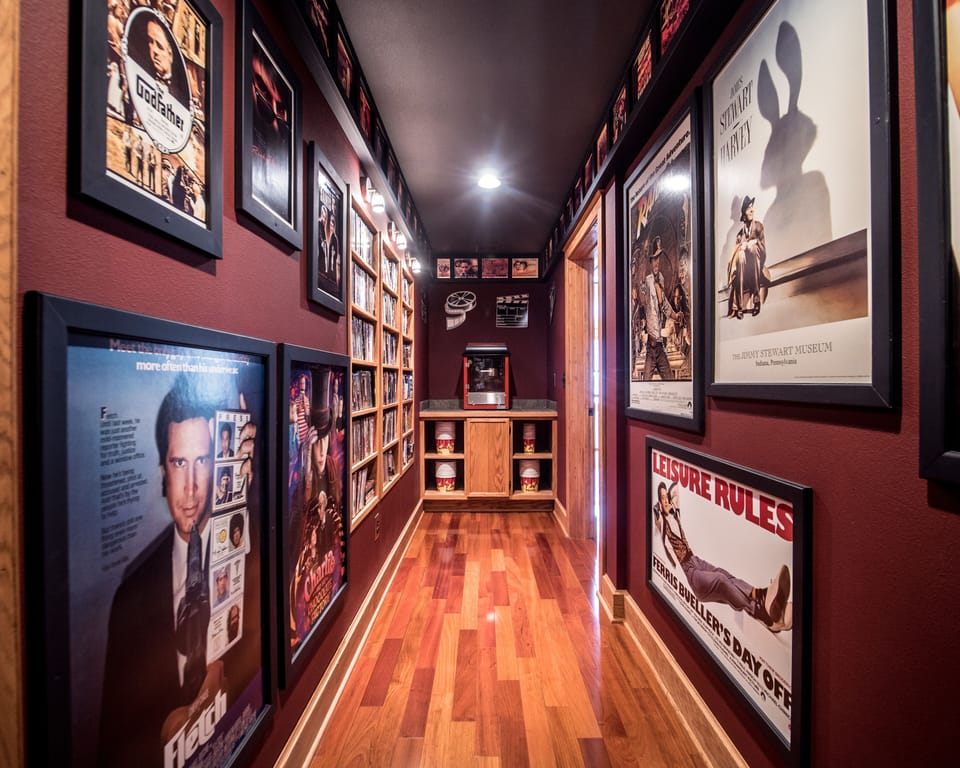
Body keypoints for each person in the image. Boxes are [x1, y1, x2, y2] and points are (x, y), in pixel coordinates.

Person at [98, 374, 257, 766]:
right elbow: (114, 742)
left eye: (202, 460)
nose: (189, 488)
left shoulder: (250, 550)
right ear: (162, 474)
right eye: (178, 462)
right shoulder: (131, 597)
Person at [654, 482, 792, 633]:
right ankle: (760, 612)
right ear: (659, 503)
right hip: (690, 573)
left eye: (666, 496)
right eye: (662, 498)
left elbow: (676, 491)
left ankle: (762, 596)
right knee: (720, 580)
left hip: (695, 560)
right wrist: (659, 511)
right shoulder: (663, 525)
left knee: (725, 574)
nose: (666, 500)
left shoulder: (676, 514)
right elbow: (659, 520)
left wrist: (670, 500)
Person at [640, 236, 682, 381]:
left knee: (670, 380)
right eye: (654, 259)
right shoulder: (648, 281)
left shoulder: (661, 279)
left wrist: (675, 316)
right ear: (651, 262)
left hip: (660, 346)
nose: (657, 262)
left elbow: (663, 303)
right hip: (651, 347)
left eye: (658, 258)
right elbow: (646, 298)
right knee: (645, 382)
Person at [726, 195, 768, 319]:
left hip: (756, 262)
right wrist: (742, 247)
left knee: (752, 248)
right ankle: (739, 306)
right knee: (741, 254)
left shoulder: (759, 227)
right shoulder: (740, 235)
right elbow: (735, 258)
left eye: (752, 208)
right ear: (744, 214)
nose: (752, 210)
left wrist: (754, 243)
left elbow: (763, 250)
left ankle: (756, 301)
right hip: (743, 268)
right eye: (749, 208)